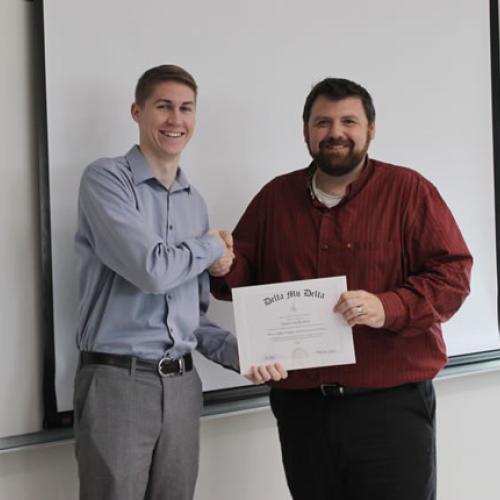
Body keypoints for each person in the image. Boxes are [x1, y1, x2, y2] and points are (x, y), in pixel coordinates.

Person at [211, 78, 472, 500]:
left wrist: (389, 306)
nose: (335, 132)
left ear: (371, 129)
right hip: (303, 412)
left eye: (349, 121)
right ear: (306, 132)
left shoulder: (409, 191)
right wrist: (223, 264)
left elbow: (453, 275)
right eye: (323, 122)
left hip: (389, 407)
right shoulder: (275, 198)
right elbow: (240, 276)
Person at [73, 64, 239, 500]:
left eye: (186, 109)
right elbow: (152, 270)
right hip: (118, 385)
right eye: (163, 106)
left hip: (183, 388)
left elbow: (193, 320)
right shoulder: (106, 179)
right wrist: (211, 247)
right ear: (137, 111)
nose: (175, 120)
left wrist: (253, 354)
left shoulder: (195, 203)